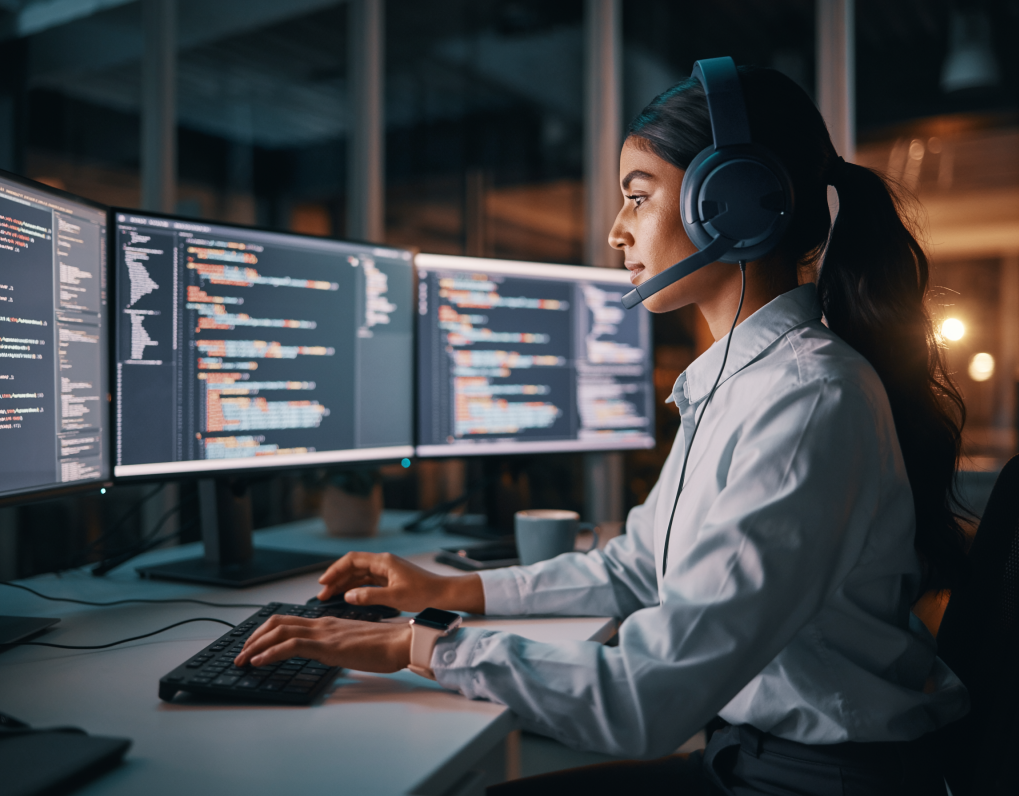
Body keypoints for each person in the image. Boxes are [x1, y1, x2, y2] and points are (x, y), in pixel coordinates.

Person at [234, 66, 970, 794]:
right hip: (749, 755)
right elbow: (634, 568)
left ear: (733, 204)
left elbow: (645, 698)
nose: (617, 230)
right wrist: (452, 589)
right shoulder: (744, 382)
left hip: (814, 781)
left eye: (638, 196)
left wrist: (417, 644)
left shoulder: (807, 400)